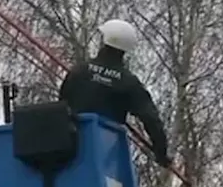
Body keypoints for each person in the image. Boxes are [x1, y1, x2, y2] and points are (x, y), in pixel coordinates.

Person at [58, 18, 171, 167]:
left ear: (104, 40)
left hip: (70, 150)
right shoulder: (128, 82)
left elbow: (61, 104)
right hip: (107, 153)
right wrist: (161, 153)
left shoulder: (79, 71)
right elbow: (151, 118)